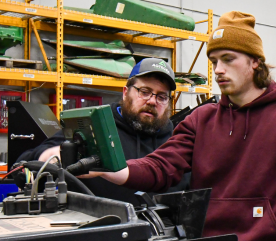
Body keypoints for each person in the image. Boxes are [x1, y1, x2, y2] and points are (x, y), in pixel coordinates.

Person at [81, 11, 276, 241]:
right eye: (214, 61)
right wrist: (110, 167)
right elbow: (162, 167)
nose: (218, 70)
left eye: (228, 59)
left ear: (255, 61)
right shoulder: (201, 119)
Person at [16, 58, 190, 205]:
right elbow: (23, 169)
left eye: (161, 97)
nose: (152, 101)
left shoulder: (175, 142)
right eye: (144, 92)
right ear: (125, 92)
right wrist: (49, 156)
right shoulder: (94, 127)